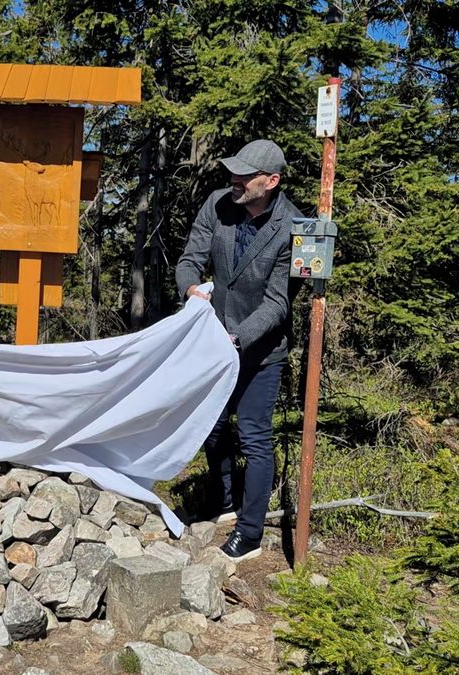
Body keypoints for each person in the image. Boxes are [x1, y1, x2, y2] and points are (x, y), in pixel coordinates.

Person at [174, 139, 301, 562]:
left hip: (260, 349)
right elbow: (190, 258)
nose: (236, 180)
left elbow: (278, 303)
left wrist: (238, 339)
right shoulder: (217, 204)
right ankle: (226, 503)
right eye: (234, 172)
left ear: (272, 181)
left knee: (254, 436)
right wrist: (191, 287)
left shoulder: (292, 227)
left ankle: (249, 536)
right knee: (211, 427)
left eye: (246, 176)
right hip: (214, 340)